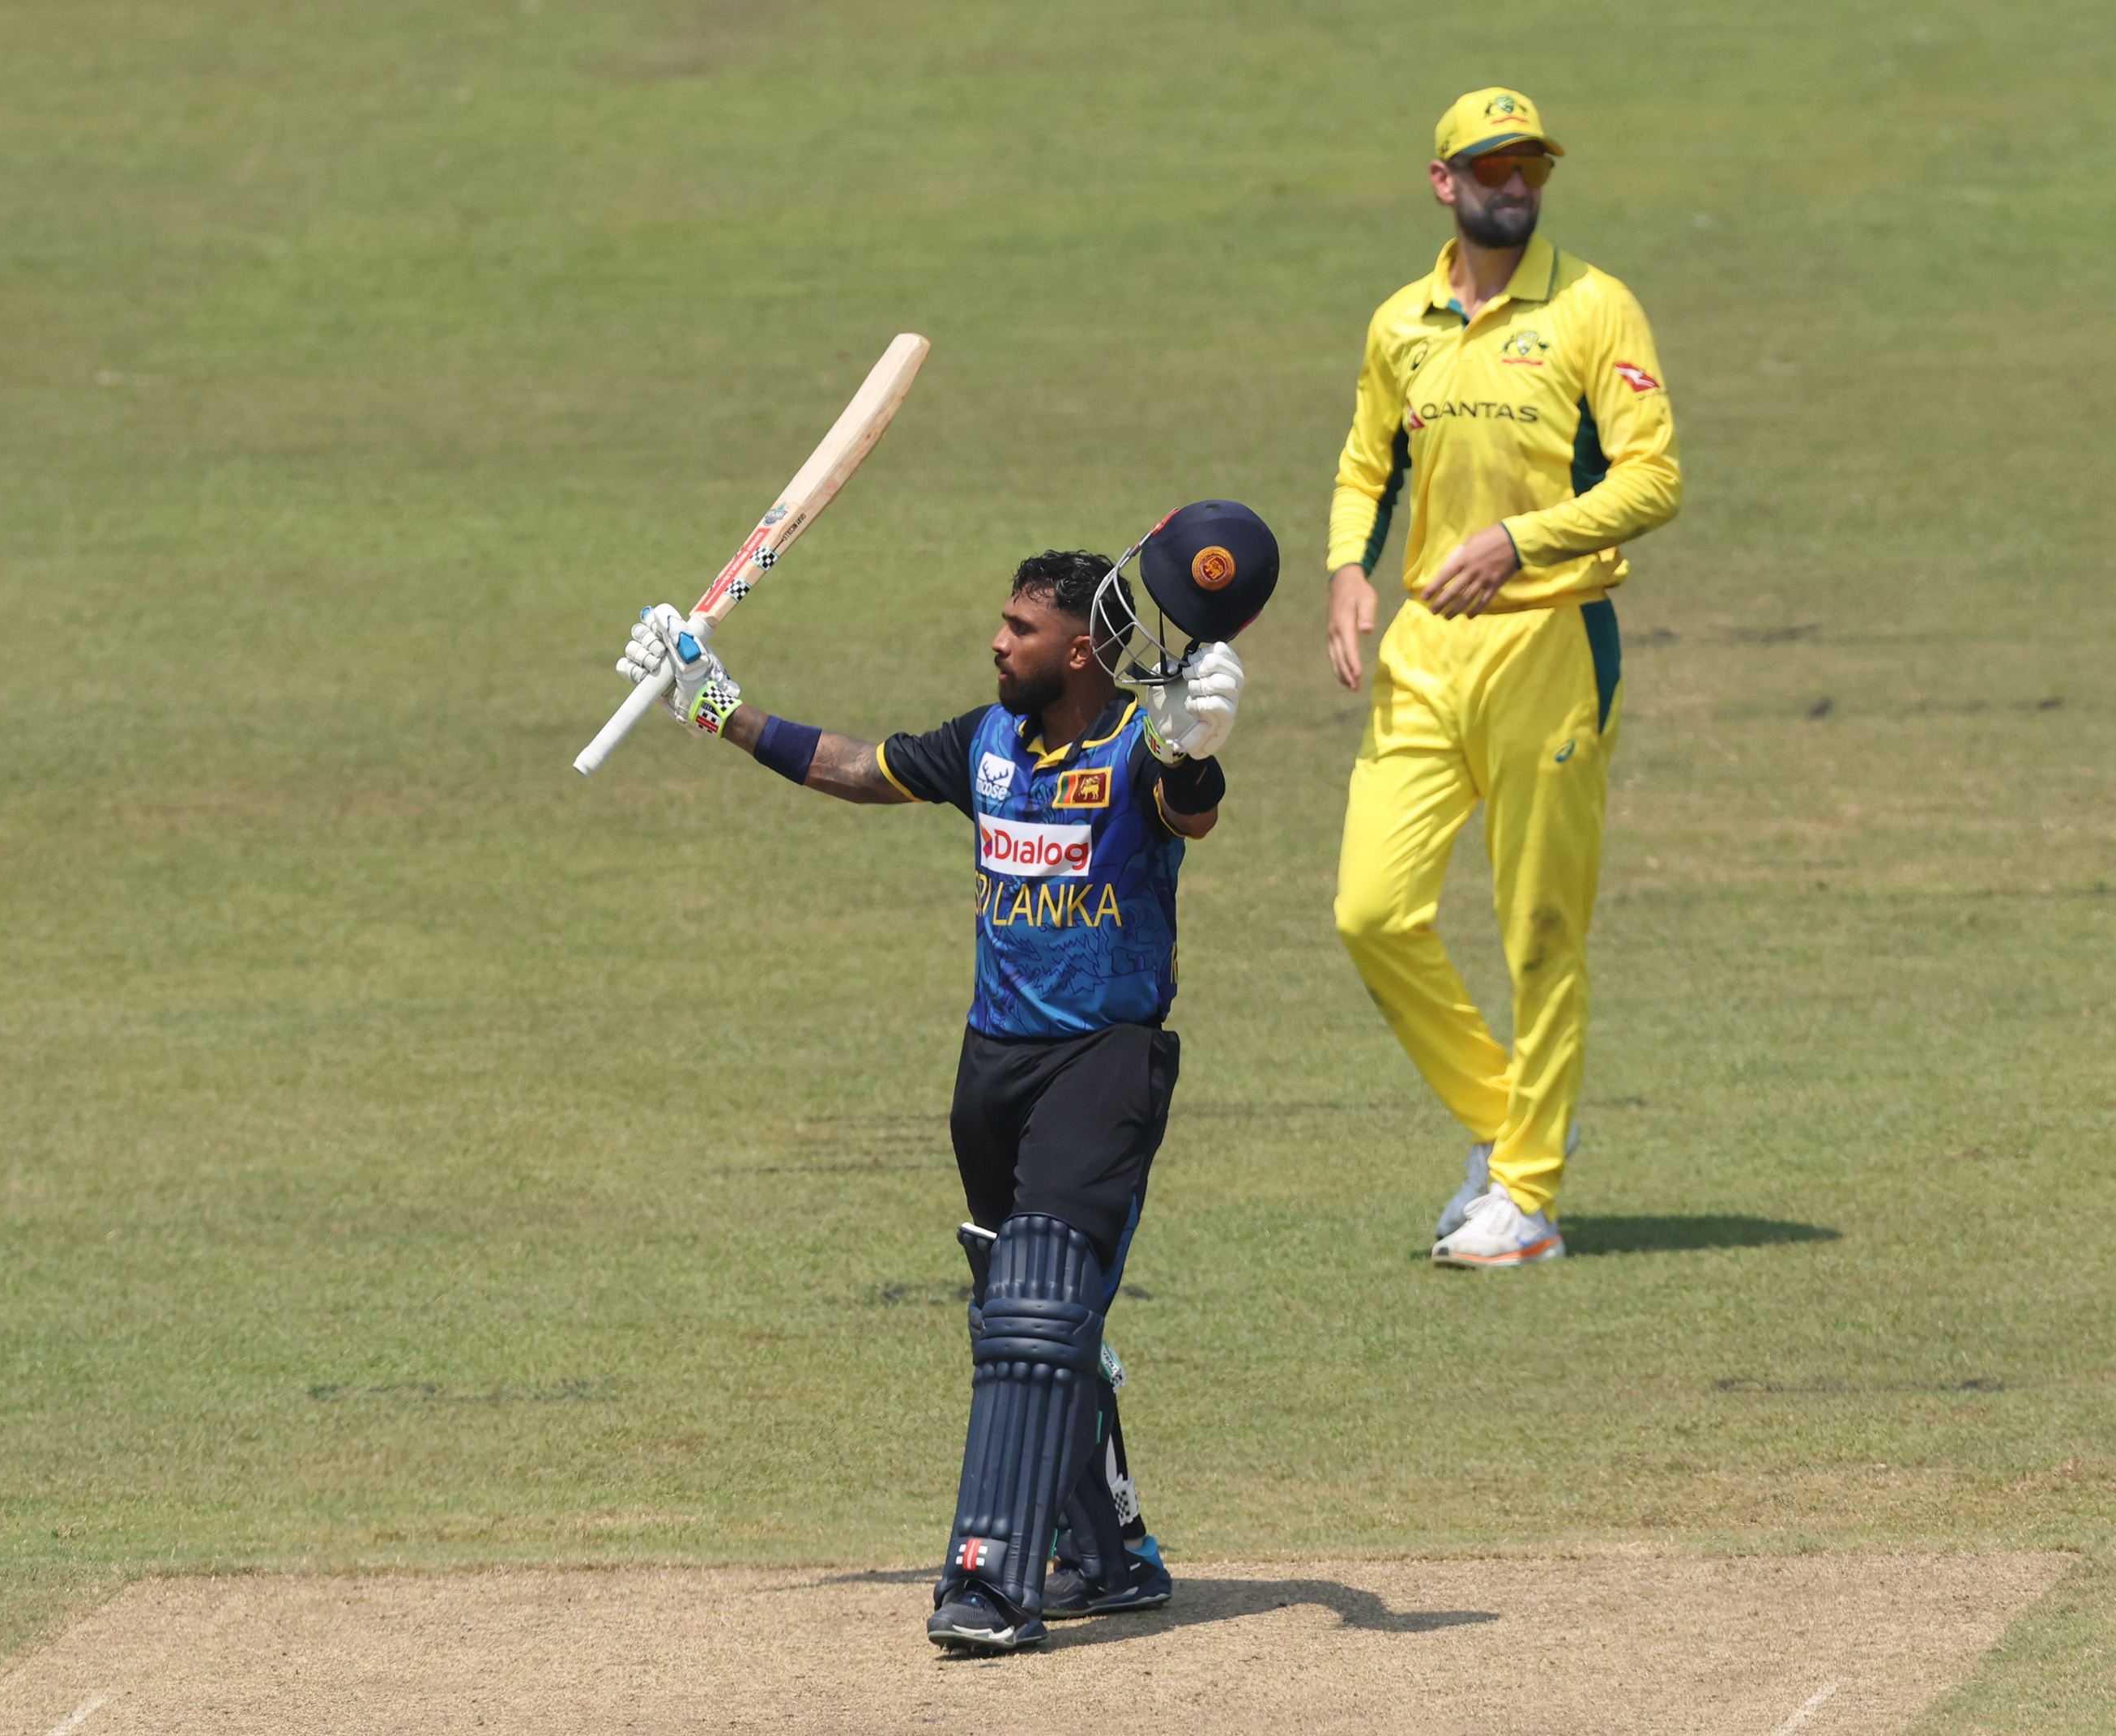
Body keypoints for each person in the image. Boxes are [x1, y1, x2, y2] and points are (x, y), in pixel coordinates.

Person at [615, 502, 1277, 1651]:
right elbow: (855, 767)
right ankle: (1115, 1558)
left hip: (1101, 1064)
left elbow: (1187, 813)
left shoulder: (1143, 743)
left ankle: (992, 1582)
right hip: (991, 1069)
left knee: (1038, 1310)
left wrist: (1201, 755)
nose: (997, 642)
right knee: (1022, 1314)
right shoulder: (988, 743)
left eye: (1019, 629)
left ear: (1079, 650)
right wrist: (713, 705)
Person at [1325, 87, 1683, 1269]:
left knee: (1539, 930)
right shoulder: (1401, 324)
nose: (1513, 182)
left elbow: (1653, 480)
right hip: (1424, 656)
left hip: (1552, 643)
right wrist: (1345, 575)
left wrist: (1520, 542)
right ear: (1445, 183)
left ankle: (1524, 1200)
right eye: (1490, 165)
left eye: (1528, 163)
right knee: (1371, 912)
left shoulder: (1593, 307)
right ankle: (1502, 1122)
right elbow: (1367, 463)